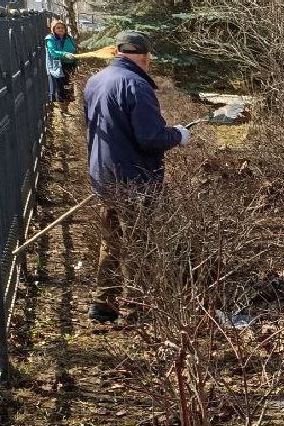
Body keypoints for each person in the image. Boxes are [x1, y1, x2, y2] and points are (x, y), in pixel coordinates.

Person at [81, 30, 193, 324]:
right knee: (138, 241)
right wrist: (178, 135)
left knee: (111, 238)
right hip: (133, 178)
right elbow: (150, 137)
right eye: (149, 56)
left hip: (102, 174)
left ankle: (103, 303)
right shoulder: (136, 85)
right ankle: (136, 308)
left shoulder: (95, 81)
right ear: (144, 55)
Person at [44, 19, 77, 115]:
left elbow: (73, 50)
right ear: (53, 29)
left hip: (69, 66)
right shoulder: (50, 38)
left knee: (68, 88)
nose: (60, 29)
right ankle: (62, 110)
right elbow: (53, 52)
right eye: (58, 28)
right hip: (57, 67)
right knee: (59, 89)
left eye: (62, 28)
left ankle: (66, 109)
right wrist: (65, 54)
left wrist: (75, 61)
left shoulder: (68, 37)